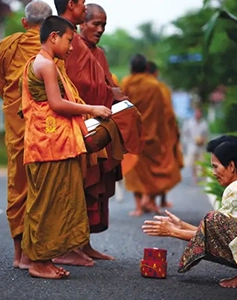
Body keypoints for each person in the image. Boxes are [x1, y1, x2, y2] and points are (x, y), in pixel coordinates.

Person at [20, 15, 112, 279]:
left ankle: (40, 258)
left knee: (48, 201)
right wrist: (91, 108)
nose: (72, 47)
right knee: (51, 202)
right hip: (50, 144)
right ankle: (40, 262)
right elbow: (57, 104)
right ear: (53, 37)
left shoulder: (44, 63)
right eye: (69, 40)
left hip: (48, 143)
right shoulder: (45, 65)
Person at [142, 135, 237, 288]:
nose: (213, 172)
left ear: (231, 166)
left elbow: (214, 229)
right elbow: (215, 234)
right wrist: (181, 225)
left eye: (215, 166)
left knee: (214, 218)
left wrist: (172, 231)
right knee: (214, 221)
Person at [54, 0, 124, 262]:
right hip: (79, 127)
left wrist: (115, 94)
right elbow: (74, 86)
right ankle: (67, 246)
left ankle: (84, 244)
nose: (101, 29)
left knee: (95, 189)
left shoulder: (100, 53)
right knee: (77, 186)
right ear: (83, 22)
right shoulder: (74, 48)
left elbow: (105, 82)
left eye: (104, 25)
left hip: (100, 129)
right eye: (96, 23)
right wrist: (110, 92)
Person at [0, 0, 52, 270]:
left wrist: (13, 105)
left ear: (24, 23)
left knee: (17, 186)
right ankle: (36, 255)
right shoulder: (51, 52)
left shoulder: (7, 45)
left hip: (16, 128)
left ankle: (19, 255)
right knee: (40, 188)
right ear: (51, 26)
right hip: (43, 132)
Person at [121, 54, 170, 216]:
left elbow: (123, 106)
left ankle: (138, 206)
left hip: (134, 133)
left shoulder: (126, 82)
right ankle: (150, 200)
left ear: (131, 68)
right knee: (152, 169)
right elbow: (161, 112)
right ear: (146, 68)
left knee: (135, 170)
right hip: (152, 134)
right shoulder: (154, 86)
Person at [147, 61, 183, 208]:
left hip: (143, 134)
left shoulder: (129, 83)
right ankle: (157, 199)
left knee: (144, 168)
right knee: (164, 166)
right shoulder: (161, 88)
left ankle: (145, 200)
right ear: (156, 73)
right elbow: (169, 114)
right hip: (162, 134)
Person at [182, 107, 209, 183]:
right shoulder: (189, 123)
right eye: (196, 112)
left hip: (201, 146)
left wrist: (203, 140)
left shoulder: (204, 124)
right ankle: (194, 177)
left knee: (202, 161)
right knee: (193, 162)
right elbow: (185, 133)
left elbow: (206, 134)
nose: (198, 114)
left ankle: (203, 176)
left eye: (199, 113)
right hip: (192, 145)